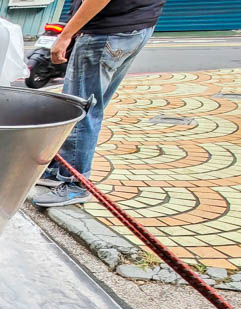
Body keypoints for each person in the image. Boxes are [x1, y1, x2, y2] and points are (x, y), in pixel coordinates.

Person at [33, 0, 167, 208]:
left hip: (105, 33)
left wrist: (67, 34)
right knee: (90, 107)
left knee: (80, 111)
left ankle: (75, 183)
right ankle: (61, 171)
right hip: (135, 27)